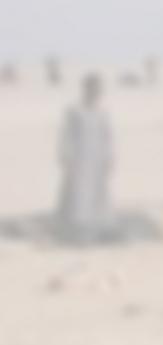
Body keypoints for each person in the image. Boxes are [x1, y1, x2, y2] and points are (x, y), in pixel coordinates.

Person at [56, 74, 114, 243]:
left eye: (98, 89)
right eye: (92, 88)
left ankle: (97, 228)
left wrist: (109, 156)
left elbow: (107, 137)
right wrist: (65, 156)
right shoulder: (74, 111)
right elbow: (66, 135)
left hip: (98, 159)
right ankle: (77, 229)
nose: (96, 92)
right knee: (79, 194)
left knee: (98, 193)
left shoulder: (103, 112)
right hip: (79, 158)